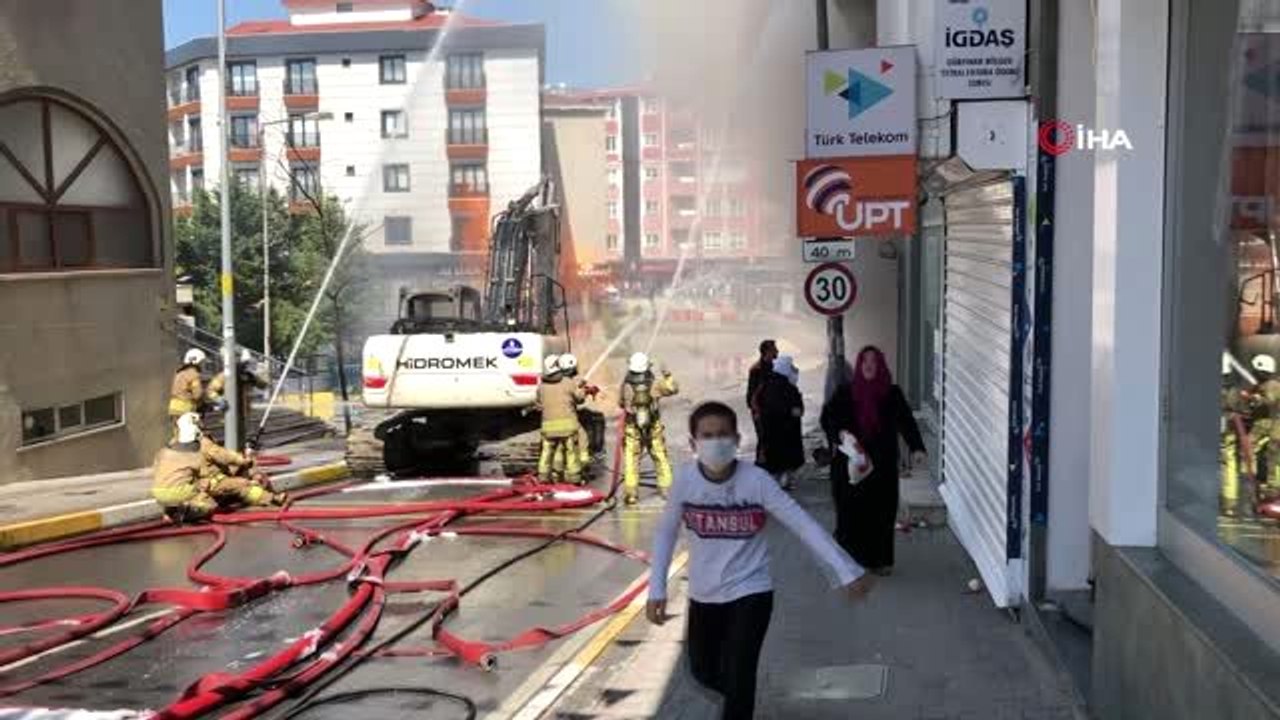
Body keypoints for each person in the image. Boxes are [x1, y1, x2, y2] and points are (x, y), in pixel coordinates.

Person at [646, 401, 875, 720]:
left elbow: (801, 523)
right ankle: (739, 699)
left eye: (723, 434)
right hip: (704, 595)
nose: (716, 441)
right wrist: (656, 589)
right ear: (693, 443)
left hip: (750, 592)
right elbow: (665, 534)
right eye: (707, 435)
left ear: (737, 440)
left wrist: (847, 570)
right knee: (702, 671)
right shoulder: (685, 482)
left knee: (741, 672)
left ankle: (739, 704)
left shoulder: (756, 481)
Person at [820, 346, 926, 575]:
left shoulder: (892, 393)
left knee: (881, 512)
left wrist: (917, 447)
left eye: (874, 361)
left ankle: (878, 561)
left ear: (881, 366)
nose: (869, 365)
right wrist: (838, 433)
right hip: (851, 464)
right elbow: (827, 417)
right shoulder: (845, 392)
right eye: (864, 361)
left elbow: (906, 421)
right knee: (850, 513)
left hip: (882, 465)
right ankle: (850, 560)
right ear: (858, 366)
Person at [152, 413, 286, 524]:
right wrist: (243, 460)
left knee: (234, 484)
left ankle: (170, 512)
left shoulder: (172, 445)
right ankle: (272, 498)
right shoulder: (201, 443)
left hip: (161, 493)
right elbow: (222, 456)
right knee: (238, 488)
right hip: (210, 481)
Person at [621, 351, 679, 505]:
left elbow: (620, 403)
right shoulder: (655, 385)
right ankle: (666, 490)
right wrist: (667, 375)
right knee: (660, 457)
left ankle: (631, 494)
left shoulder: (625, 385)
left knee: (631, 461)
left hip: (632, 429)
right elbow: (673, 388)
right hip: (653, 428)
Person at [756, 355, 804, 490]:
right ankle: (784, 480)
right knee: (785, 457)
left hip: (772, 430)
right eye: (791, 366)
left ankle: (778, 480)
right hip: (786, 430)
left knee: (776, 457)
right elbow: (792, 408)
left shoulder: (768, 384)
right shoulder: (786, 387)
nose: (793, 369)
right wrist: (792, 411)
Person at [208, 348, 270, 452]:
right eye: (243, 363)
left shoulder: (247, 375)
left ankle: (240, 456)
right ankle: (233, 456)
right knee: (232, 438)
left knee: (242, 437)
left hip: (244, 412)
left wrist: (261, 374)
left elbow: (263, 385)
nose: (245, 366)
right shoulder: (224, 376)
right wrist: (219, 399)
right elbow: (211, 390)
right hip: (230, 412)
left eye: (246, 364)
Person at [536, 354, 585, 484]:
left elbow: (539, 403)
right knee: (571, 454)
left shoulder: (541, 386)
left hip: (548, 429)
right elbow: (580, 399)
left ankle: (544, 477)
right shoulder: (568, 382)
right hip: (568, 428)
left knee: (546, 453)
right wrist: (581, 388)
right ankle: (575, 479)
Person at [558, 352, 600, 468]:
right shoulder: (570, 383)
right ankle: (584, 463)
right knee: (582, 438)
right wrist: (586, 391)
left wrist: (580, 385)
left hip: (549, 421)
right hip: (567, 419)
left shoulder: (554, 381)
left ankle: (556, 469)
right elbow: (579, 399)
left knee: (558, 446)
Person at [746, 340, 778, 463]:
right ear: (767, 351)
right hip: (761, 410)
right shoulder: (757, 369)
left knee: (770, 439)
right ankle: (760, 466)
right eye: (774, 349)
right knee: (764, 439)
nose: (777, 351)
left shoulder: (772, 366)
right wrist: (757, 412)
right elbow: (753, 394)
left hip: (770, 409)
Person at [169, 348, 218, 430]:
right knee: (196, 435)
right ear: (196, 362)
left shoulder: (179, 373)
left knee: (179, 436)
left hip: (173, 408)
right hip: (185, 409)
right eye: (202, 362)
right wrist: (204, 404)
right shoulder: (194, 375)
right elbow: (197, 394)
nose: (202, 365)